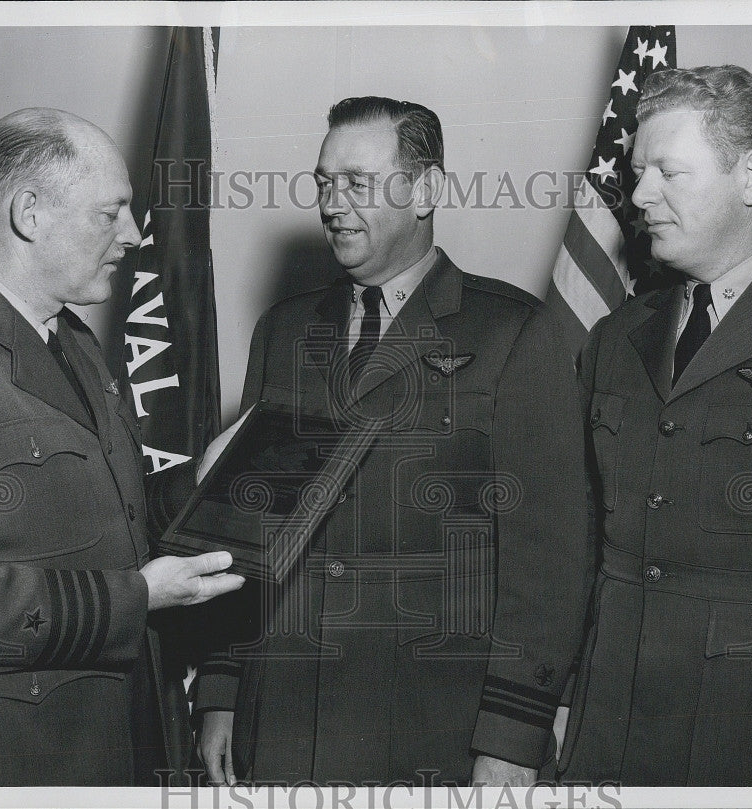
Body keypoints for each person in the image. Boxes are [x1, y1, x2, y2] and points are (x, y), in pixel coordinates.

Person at [191, 97, 591, 786]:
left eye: (357, 182)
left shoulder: (513, 334)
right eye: (322, 182)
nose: (331, 204)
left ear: (427, 189)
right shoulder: (282, 332)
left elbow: (549, 561)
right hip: (283, 720)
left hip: (436, 729)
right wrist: (223, 688)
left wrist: (513, 737)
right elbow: (244, 527)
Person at [0, 108, 244, 786]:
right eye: (109, 213)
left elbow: (107, 519)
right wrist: (134, 598)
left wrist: (198, 479)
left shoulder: (71, 341)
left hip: (104, 748)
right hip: (1, 764)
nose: (134, 233)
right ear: (30, 213)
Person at [557, 66, 752, 786]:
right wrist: (555, 705)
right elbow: (577, 548)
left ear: (750, 175)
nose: (640, 195)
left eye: (668, 172)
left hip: (751, 749)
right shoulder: (617, 336)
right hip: (603, 738)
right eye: (636, 172)